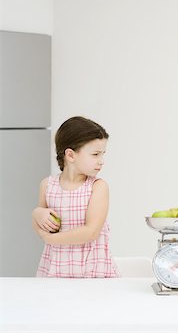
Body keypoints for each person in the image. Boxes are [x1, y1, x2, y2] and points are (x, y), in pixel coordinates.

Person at [32, 116, 119, 278]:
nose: (102, 161)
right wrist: (37, 213)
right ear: (70, 155)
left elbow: (91, 232)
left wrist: (51, 240)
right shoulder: (48, 185)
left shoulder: (97, 187)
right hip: (56, 269)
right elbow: (41, 224)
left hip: (93, 271)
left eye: (103, 154)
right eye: (95, 154)